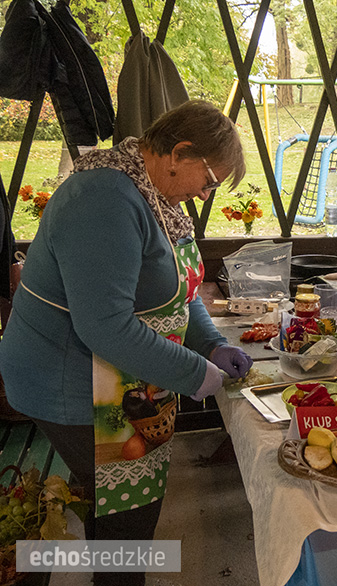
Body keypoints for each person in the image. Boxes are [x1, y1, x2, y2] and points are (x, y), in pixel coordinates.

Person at [0, 100, 252, 585]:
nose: (205, 195)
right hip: (71, 382)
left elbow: (178, 287)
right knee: (127, 522)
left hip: (116, 379)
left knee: (115, 510)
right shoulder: (105, 200)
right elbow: (105, 326)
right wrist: (195, 372)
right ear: (179, 152)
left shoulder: (152, 193)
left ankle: (68, 567)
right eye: (209, 181)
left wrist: (212, 343)